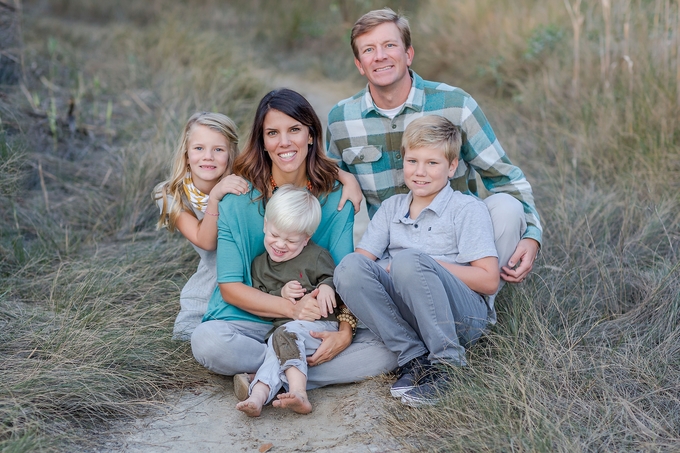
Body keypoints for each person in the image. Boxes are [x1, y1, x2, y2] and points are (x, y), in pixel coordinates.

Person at [190, 88, 397, 391]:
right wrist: (290, 309)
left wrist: (344, 332)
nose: (284, 142)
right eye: (272, 132)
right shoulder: (237, 197)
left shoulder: (336, 198)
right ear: (262, 141)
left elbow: (344, 277)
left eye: (295, 130)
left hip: (308, 325)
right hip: (247, 320)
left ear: (311, 135)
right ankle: (288, 374)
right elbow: (231, 288)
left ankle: (266, 378)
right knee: (206, 341)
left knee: (388, 350)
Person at [328, 8, 542, 295]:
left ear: (408, 54)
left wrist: (532, 235)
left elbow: (504, 176)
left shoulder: (456, 104)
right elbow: (324, 183)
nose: (380, 56)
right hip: (393, 252)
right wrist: (345, 176)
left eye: (390, 45)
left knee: (507, 207)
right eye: (369, 49)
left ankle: (481, 311)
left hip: (460, 248)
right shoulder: (341, 119)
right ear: (359, 64)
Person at [334, 115, 500, 407]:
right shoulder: (391, 208)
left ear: (451, 167)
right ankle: (414, 359)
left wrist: (426, 264)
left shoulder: (465, 209)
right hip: (409, 310)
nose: (420, 172)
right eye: (412, 161)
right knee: (348, 268)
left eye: (432, 163)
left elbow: (488, 280)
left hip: (461, 316)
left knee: (408, 262)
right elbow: (361, 268)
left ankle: (448, 365)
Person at [236, 185, 354, 417]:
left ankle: (299, 393)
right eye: (274, 235)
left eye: (290, 240)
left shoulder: (317, 256)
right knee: (276, 349)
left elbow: (334, 279)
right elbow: (261, 307)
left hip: (321, 327)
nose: (280, 245)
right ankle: (257, 398)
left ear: (306, 239)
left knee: (282, 340)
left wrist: (326, 287)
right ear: (265, 225)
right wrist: (280, 295)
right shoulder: (259, 266)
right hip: (285, 332)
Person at [154, 112, 249, 340]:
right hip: (210, 280)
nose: (208, 157)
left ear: (230, 154)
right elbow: (206, 242)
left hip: (251, 277)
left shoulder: (242, 185)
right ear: (186, 154)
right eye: (198, 148)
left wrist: (346, 179)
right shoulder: (168, 194)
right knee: (190, 337)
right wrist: (215, 198)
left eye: (218, 149)